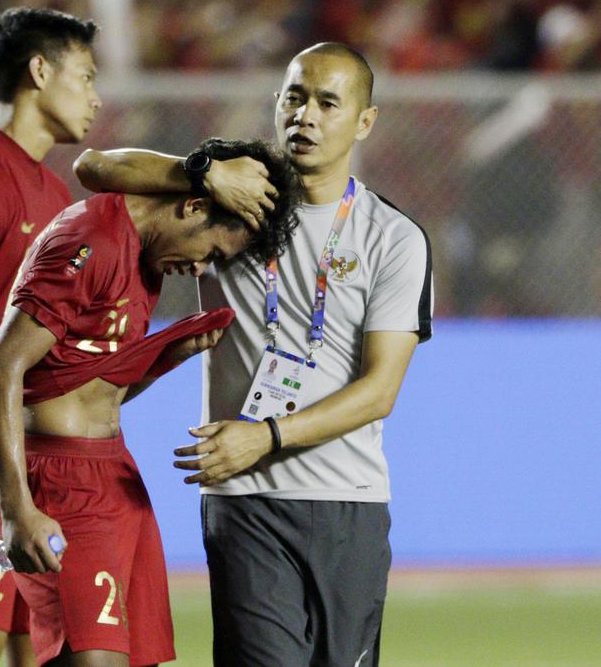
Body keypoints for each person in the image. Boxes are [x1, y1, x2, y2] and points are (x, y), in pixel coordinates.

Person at [0, 7, 278, 667]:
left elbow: (103, 173)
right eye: (85, 77)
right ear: (39, 71)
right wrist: (66, 346)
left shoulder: (52, 188)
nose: (95, 96)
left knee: (37, 651)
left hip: (56, 448)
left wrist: (127, 361)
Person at [75, 42, 435, 666]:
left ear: (364, 121)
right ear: (276, 104)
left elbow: (381, 390)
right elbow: (94, 167)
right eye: (294, 98)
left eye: (328, 102)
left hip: (348, 500)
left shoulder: (393, 238)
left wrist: (265, 436)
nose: (307, 116)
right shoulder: (231, 197)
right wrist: (200, 171)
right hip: (244, 502)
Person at [0, 137, 301, 666]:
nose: (202, 269)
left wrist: (164, 356)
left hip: (114, 478)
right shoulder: (92, 241)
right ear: (194, 205)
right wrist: (17, 511)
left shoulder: (143, 260)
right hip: (59, 483)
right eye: (213, 252)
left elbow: (91, 390)